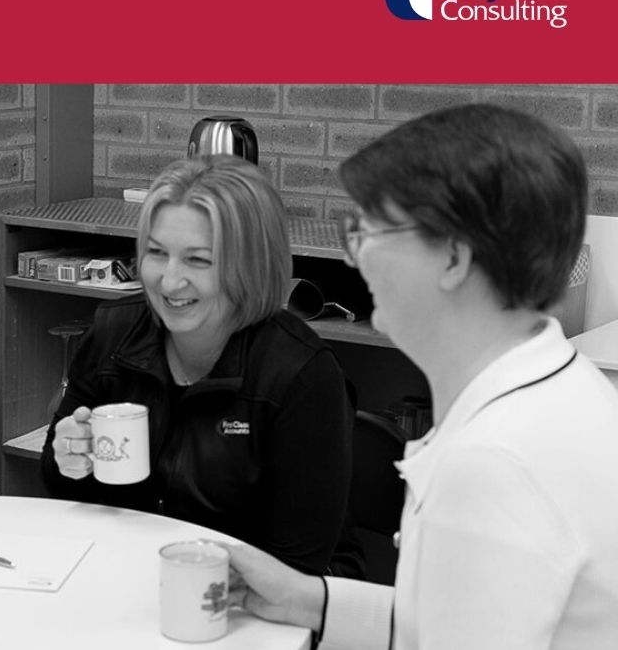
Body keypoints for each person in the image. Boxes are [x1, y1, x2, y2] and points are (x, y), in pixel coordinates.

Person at [226, 103, 618, 649]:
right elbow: (465, 614)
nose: (355, 256)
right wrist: (306, 599)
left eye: (371, 229)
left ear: (454, 259)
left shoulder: (490, 462)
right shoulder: (560, 393)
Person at [41, 156, 355, 575]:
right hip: (133, 578)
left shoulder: (300, 374)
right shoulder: (114, 332)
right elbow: (58, 482)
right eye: (156, 253)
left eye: (198, 260)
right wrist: (68, 457)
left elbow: (297, 567)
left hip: (253, 603)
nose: (169, 282)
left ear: (249, 265)